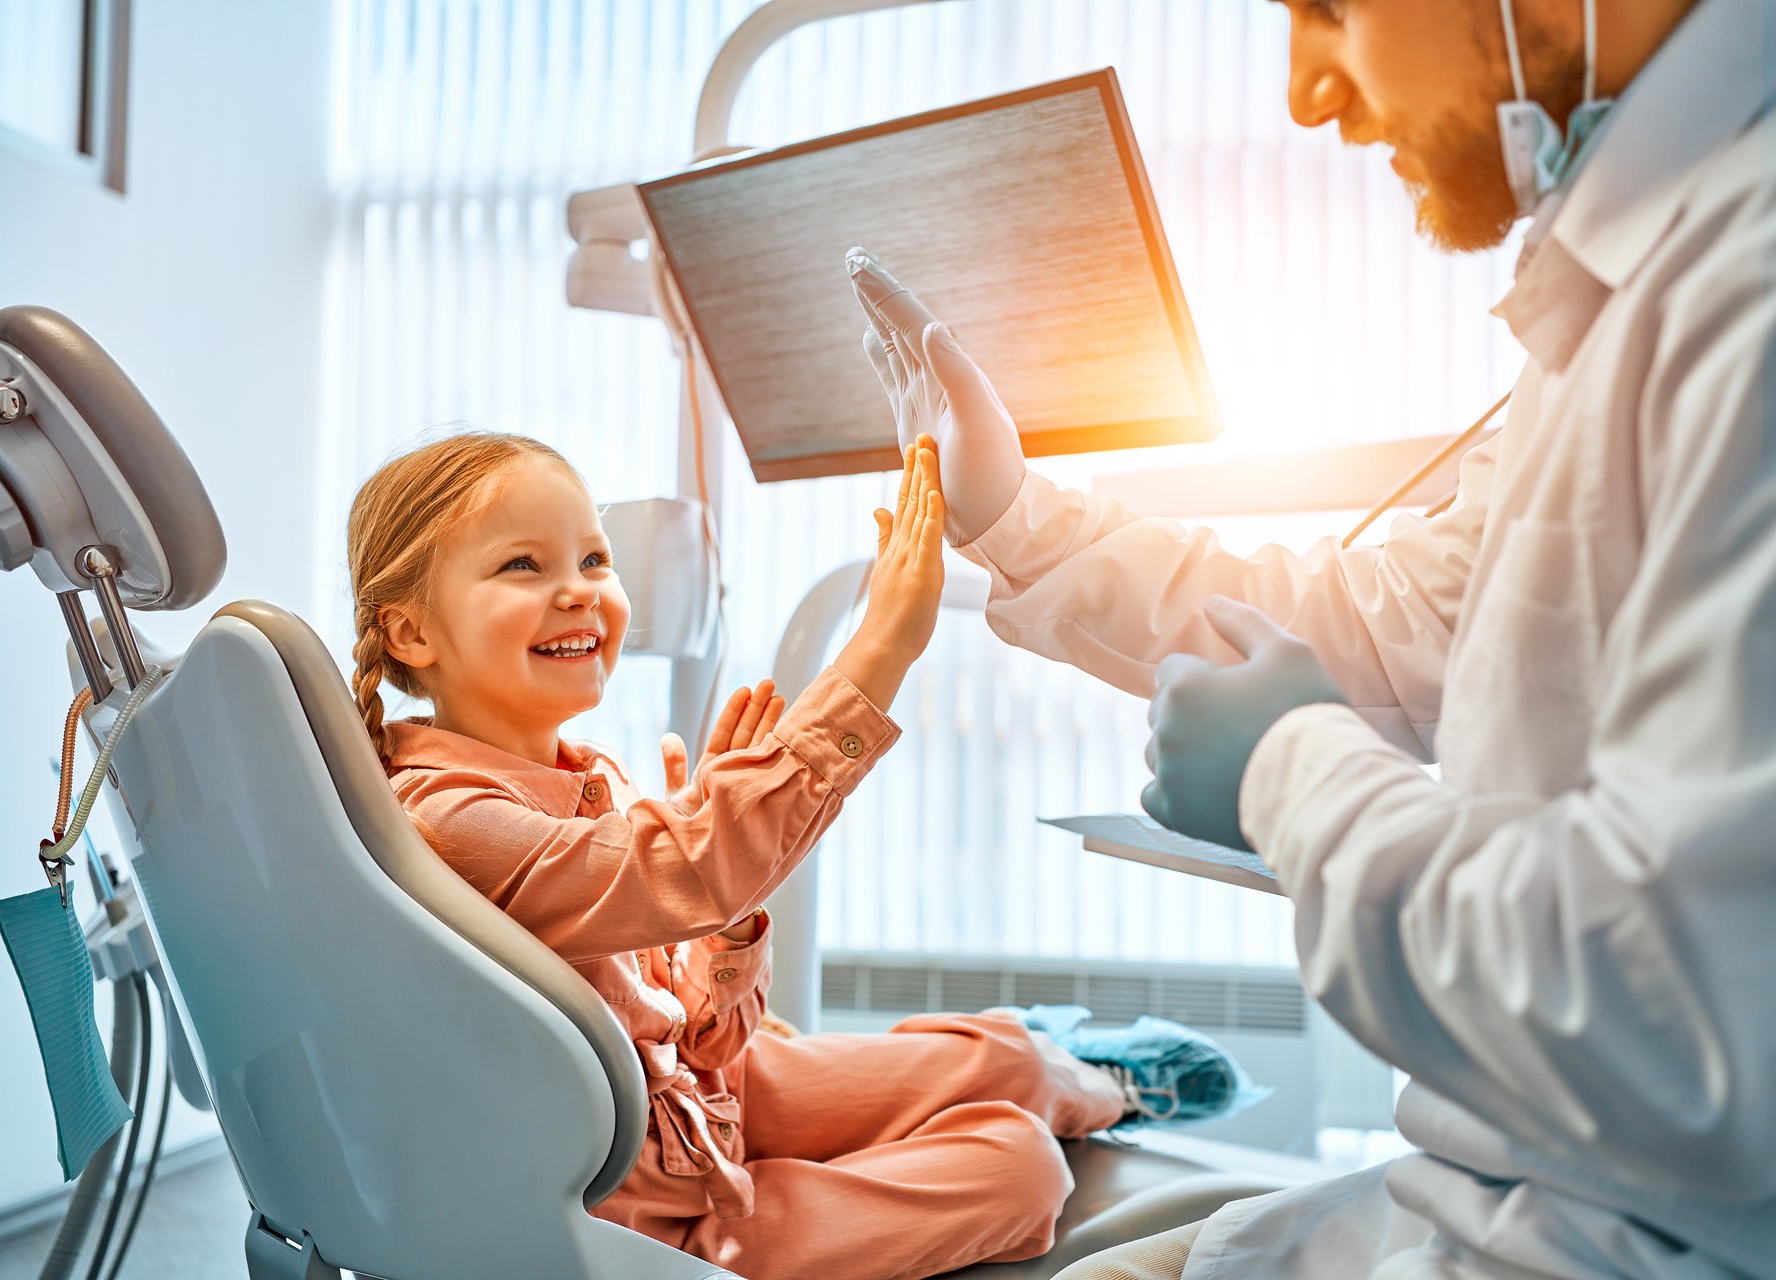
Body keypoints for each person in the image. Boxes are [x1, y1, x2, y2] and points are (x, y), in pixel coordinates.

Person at [847, 0, 1776, 1275]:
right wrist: (1019, 517)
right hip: (1524, 1183)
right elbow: (1399, 620)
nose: (1309, 92)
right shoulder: (1654, 262)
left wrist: (1290, 773)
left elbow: (1695, 1019)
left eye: (1331, 9)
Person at [342, 430, 1231, 1280]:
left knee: (1014, 1064)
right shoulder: (441, 818)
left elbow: (708, 1030)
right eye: (522, 565)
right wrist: (880, 648)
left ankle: (1084, 1073)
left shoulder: (592, 776)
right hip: (648, 1222)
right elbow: (676, 869)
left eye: (594, 559)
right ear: (413, 632)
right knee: (1021, 1167)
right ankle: (1077, 1091)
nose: (579, 590)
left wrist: (723, 918)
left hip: (703, 1094)